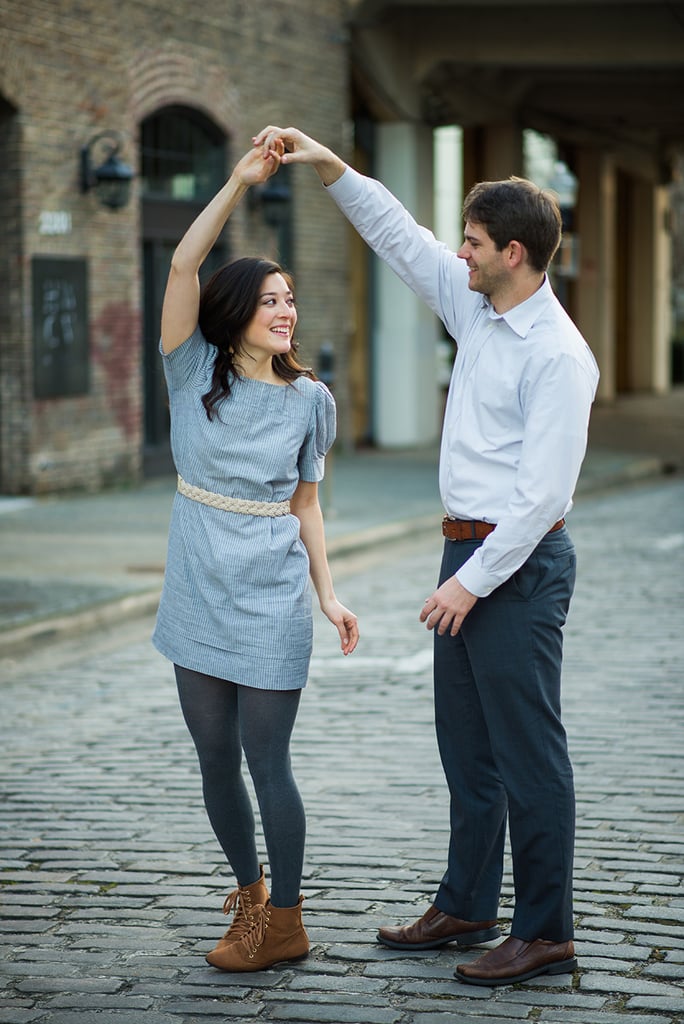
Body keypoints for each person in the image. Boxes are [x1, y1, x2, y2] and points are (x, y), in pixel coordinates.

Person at [254, 125, 599, 986]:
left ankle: (545, 929)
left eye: (475, 244)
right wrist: (329, 163)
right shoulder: (477, 306)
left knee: (529, 755)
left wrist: (472, 586)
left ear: (512, 253)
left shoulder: (559, 356)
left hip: (512, 569)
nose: (460, 254)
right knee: (468, 751)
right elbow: (399, 236)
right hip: (464, 558)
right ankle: (469, 903)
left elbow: (543, 498)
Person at [152, 140, 359, 974]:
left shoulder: (312, 400)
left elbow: (307, 504)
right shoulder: (191, 369)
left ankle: (286, 917)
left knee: (268, 760)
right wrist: (238, 182)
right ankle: (247, 890)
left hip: (272, 597)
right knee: (213, 757)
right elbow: (180, 262)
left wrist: (330, 595)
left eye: (292, 300)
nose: (286, 311)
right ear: (235, 308)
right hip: (196, 591)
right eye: (270, 299)